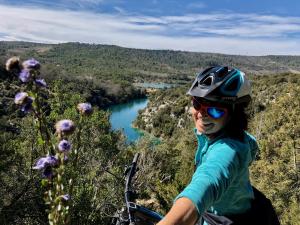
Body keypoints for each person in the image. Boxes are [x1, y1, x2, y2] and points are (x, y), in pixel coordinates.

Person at [157, 66, 280, 225]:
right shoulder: (238, 137)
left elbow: (205, 183)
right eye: (197, 103)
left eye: (215, 110)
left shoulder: (228, 150)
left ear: (234, 115)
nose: (202, 114)